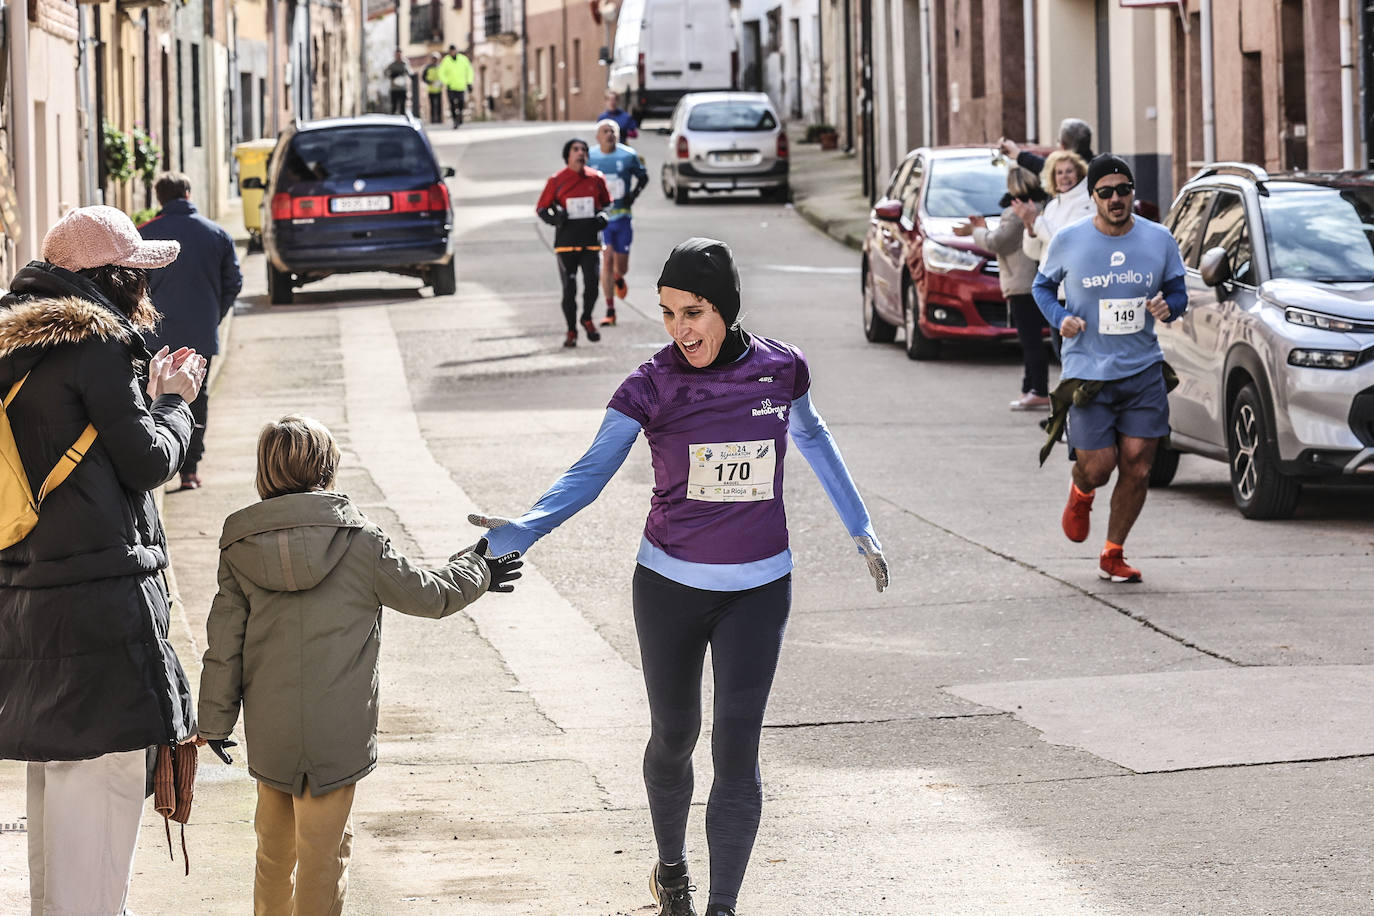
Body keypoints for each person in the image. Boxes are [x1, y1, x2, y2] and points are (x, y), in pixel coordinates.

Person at [468, 238, 890, 916]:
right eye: (667, 313)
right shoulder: (650, 385)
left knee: (736, 745)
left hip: (759, 589)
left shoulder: (783, 369)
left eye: (693, 312)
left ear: (724, 307)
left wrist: (859, 525)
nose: (680, 329)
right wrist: (524, 527)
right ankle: (671, 870)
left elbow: (813, 436)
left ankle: (721, 906)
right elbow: (591, 469)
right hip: (669, 587)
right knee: (674, 735)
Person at [196, 415, 523, 915]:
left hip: (272, 728)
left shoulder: (240, 545)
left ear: (264, 472)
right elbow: (427, 595)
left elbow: (225, 641)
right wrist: (479, 564)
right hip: (338, 729)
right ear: (327, 470)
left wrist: (214, 721)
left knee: (272, 854)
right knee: (324, 857)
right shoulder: (361, 540)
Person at [0, 205, 207, 914]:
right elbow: (146, 461)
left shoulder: (12, 346)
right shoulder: (99, 344)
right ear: (111, 278)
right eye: (137, 275)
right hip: (100, 617)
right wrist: (177, 404)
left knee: (56, 829)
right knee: (99, 835)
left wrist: (138, 403)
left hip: (27, 604)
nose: (144, 292)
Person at [1031, 155, 1187, 583]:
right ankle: (1081, 491)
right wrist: (1059, 317)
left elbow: (1177, 290)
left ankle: (1113, 553)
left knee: (1138, 464)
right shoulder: (1069, 240)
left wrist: (1168, 305)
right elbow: (1041, 286)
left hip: (1142, 369)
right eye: (1106, 192)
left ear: (1133, 192)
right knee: (1099, 466)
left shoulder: (1158, 239)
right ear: (1093, 196)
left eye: (1124, 190)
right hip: (1087, 371)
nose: (1116, 199)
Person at [140, 170, 244, 491]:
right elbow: (234, 283)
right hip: (200, 334)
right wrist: (214, 316)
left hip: (153, 338)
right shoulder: (217, 234)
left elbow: (131, 287)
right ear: (188, 193)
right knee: (196, 398)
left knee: (151, 397)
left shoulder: (144, 234)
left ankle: (152, 467)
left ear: (159, 199)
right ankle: (190, 470)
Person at [954, 165, 1051, 410]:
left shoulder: (1015, 212)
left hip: (1023, 283)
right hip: (1036, 281)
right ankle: (1030, 387)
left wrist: (976, 231)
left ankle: (1037, 389)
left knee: (1030, 340)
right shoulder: (1042, 207)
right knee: (1035, 338)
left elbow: (998, 242)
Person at [535, 137, 612, 347]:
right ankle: (571, 331)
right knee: (569, 289)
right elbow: (542, 209)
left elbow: (607, 204)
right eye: (576, 149)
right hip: (566, 243)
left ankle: (586, 317)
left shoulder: (597, 178)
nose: (580, 153)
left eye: (584, 150)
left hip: (590, 242)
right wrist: (555, 219)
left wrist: (603, 216)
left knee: (592, 287)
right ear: (567, 155)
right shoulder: (556, 180)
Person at [1018, 150, 1091, 361]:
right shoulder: (1051, 206)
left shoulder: (1086, 203)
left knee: (1076, 356)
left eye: (1069, 171)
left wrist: (1037, 221)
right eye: (1059, 172)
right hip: (1052, 293)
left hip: (1075, 293)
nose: (1064, 176)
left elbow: (1065, 241)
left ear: (1079, 174)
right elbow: (1034, 252)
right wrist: (1030, 229)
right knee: (1062, 356)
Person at [588, 118, 649, 326]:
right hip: (602, 219)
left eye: (613, 131)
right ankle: (610, 309)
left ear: (618, 135)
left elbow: (643, 177)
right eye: (605, 131)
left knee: (621, 266)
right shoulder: (590, 156)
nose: (609, 135)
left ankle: (618, 277)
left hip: (623, 217)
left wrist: (633, 194)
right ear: (598, 137)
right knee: (606, 259)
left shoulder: (628, 155)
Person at [998, 117, 1094, 177]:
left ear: (1063, 146)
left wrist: (1018, 154)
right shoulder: (1098, 167)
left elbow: (1043, 166)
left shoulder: (1063, 173)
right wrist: (1018, 154)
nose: (1063, 177)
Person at [438, 44, 475, 128]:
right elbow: (441, 72)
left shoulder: (463, 59)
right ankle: (455, 120)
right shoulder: (446, 60)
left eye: (453, 50)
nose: (452, 52)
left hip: (461, 86)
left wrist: (469, 82)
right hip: (450, 86)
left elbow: (469, 71)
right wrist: (446, 82)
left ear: (456, 51)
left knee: (461, 103)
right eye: (451, 51)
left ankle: (460, 117)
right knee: (451, 103)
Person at [384, 49, 413, 116]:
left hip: (402, 88)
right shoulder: (392, 65)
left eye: (399, 54)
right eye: (397, 55)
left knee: (402, 106)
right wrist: (391, 76)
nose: (398, 56)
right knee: (394, 106)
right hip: (394, 89)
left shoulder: (405, 64)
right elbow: (385, 72)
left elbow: (410, 72)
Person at [422, 52, 445, 124]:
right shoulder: (427, 67)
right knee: (432, 105)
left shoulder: (441, 67)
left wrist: (442, 83)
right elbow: (423, 77)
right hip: (431, 89)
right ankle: (433, 120)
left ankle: (439, 120)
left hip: (439, 89)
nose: (435, 60)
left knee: (439, 105)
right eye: (433, 58)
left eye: (436, 59)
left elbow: (444, 76)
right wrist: (429, 82)